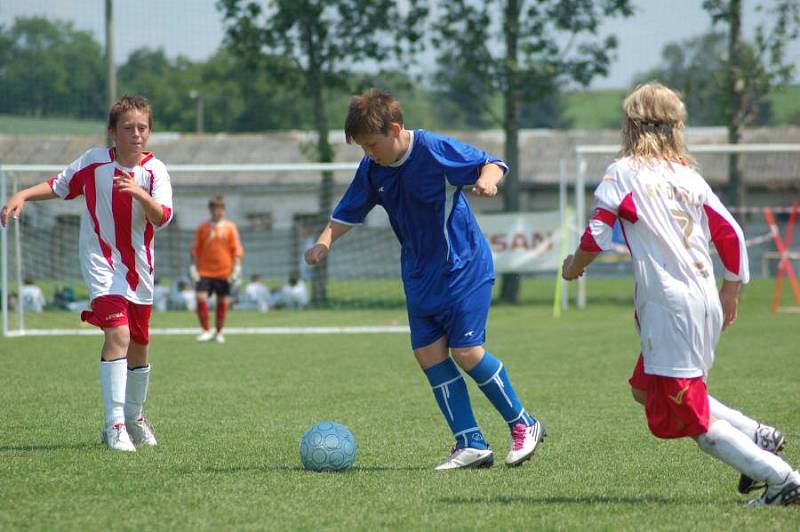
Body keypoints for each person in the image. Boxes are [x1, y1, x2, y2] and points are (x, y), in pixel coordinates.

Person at [561, 82, 799, 506]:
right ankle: (756, 434)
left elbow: (597, 234)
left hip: (671, 306)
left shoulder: (624, 172)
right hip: (701, 297)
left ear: (630, 125)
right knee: (644, 388)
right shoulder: (689, 177)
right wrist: (731, 291)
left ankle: (781, 478)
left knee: (692, 417)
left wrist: (573, 266)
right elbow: (731, 233)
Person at [305, 89, 545, 470]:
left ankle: (524, 423)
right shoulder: (373, 168)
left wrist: (486, 181)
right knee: (429, 355)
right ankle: (470, 442)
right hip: (419, 273)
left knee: (467, 352)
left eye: (371, 144)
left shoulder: (432, 149)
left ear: (395, 129)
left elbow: (493, 162)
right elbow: (347, 211)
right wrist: (324, 240)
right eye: (362, 148)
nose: (368, 153)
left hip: (462, 265)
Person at [1, 95, 174, 452]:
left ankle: (134, 417)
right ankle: (113, 426)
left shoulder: (156, 171)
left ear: (150, 132)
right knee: (119, 335)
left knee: (140, 346)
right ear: (113, 132)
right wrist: (23, 195)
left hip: (139, 270)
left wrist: (139, 194)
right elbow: (59, 185)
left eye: (142, 128)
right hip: (102, 264)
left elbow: (162, 217)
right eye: (128, 128)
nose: (136, 134)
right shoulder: (94, 162)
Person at [190, 195, 244, 343]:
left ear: (224, 210)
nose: (217, 213)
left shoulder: (230, 228)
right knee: (200, 297)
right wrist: (193, 267)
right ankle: (205, 330)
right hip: (205, 270)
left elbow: (236, 249)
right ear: (210, 210)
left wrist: (237, 268)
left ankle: (219, 332)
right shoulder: (203, 228)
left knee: (223, 301)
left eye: (219, 210)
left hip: (224, 271)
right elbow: (196, 249)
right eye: (214, 209)